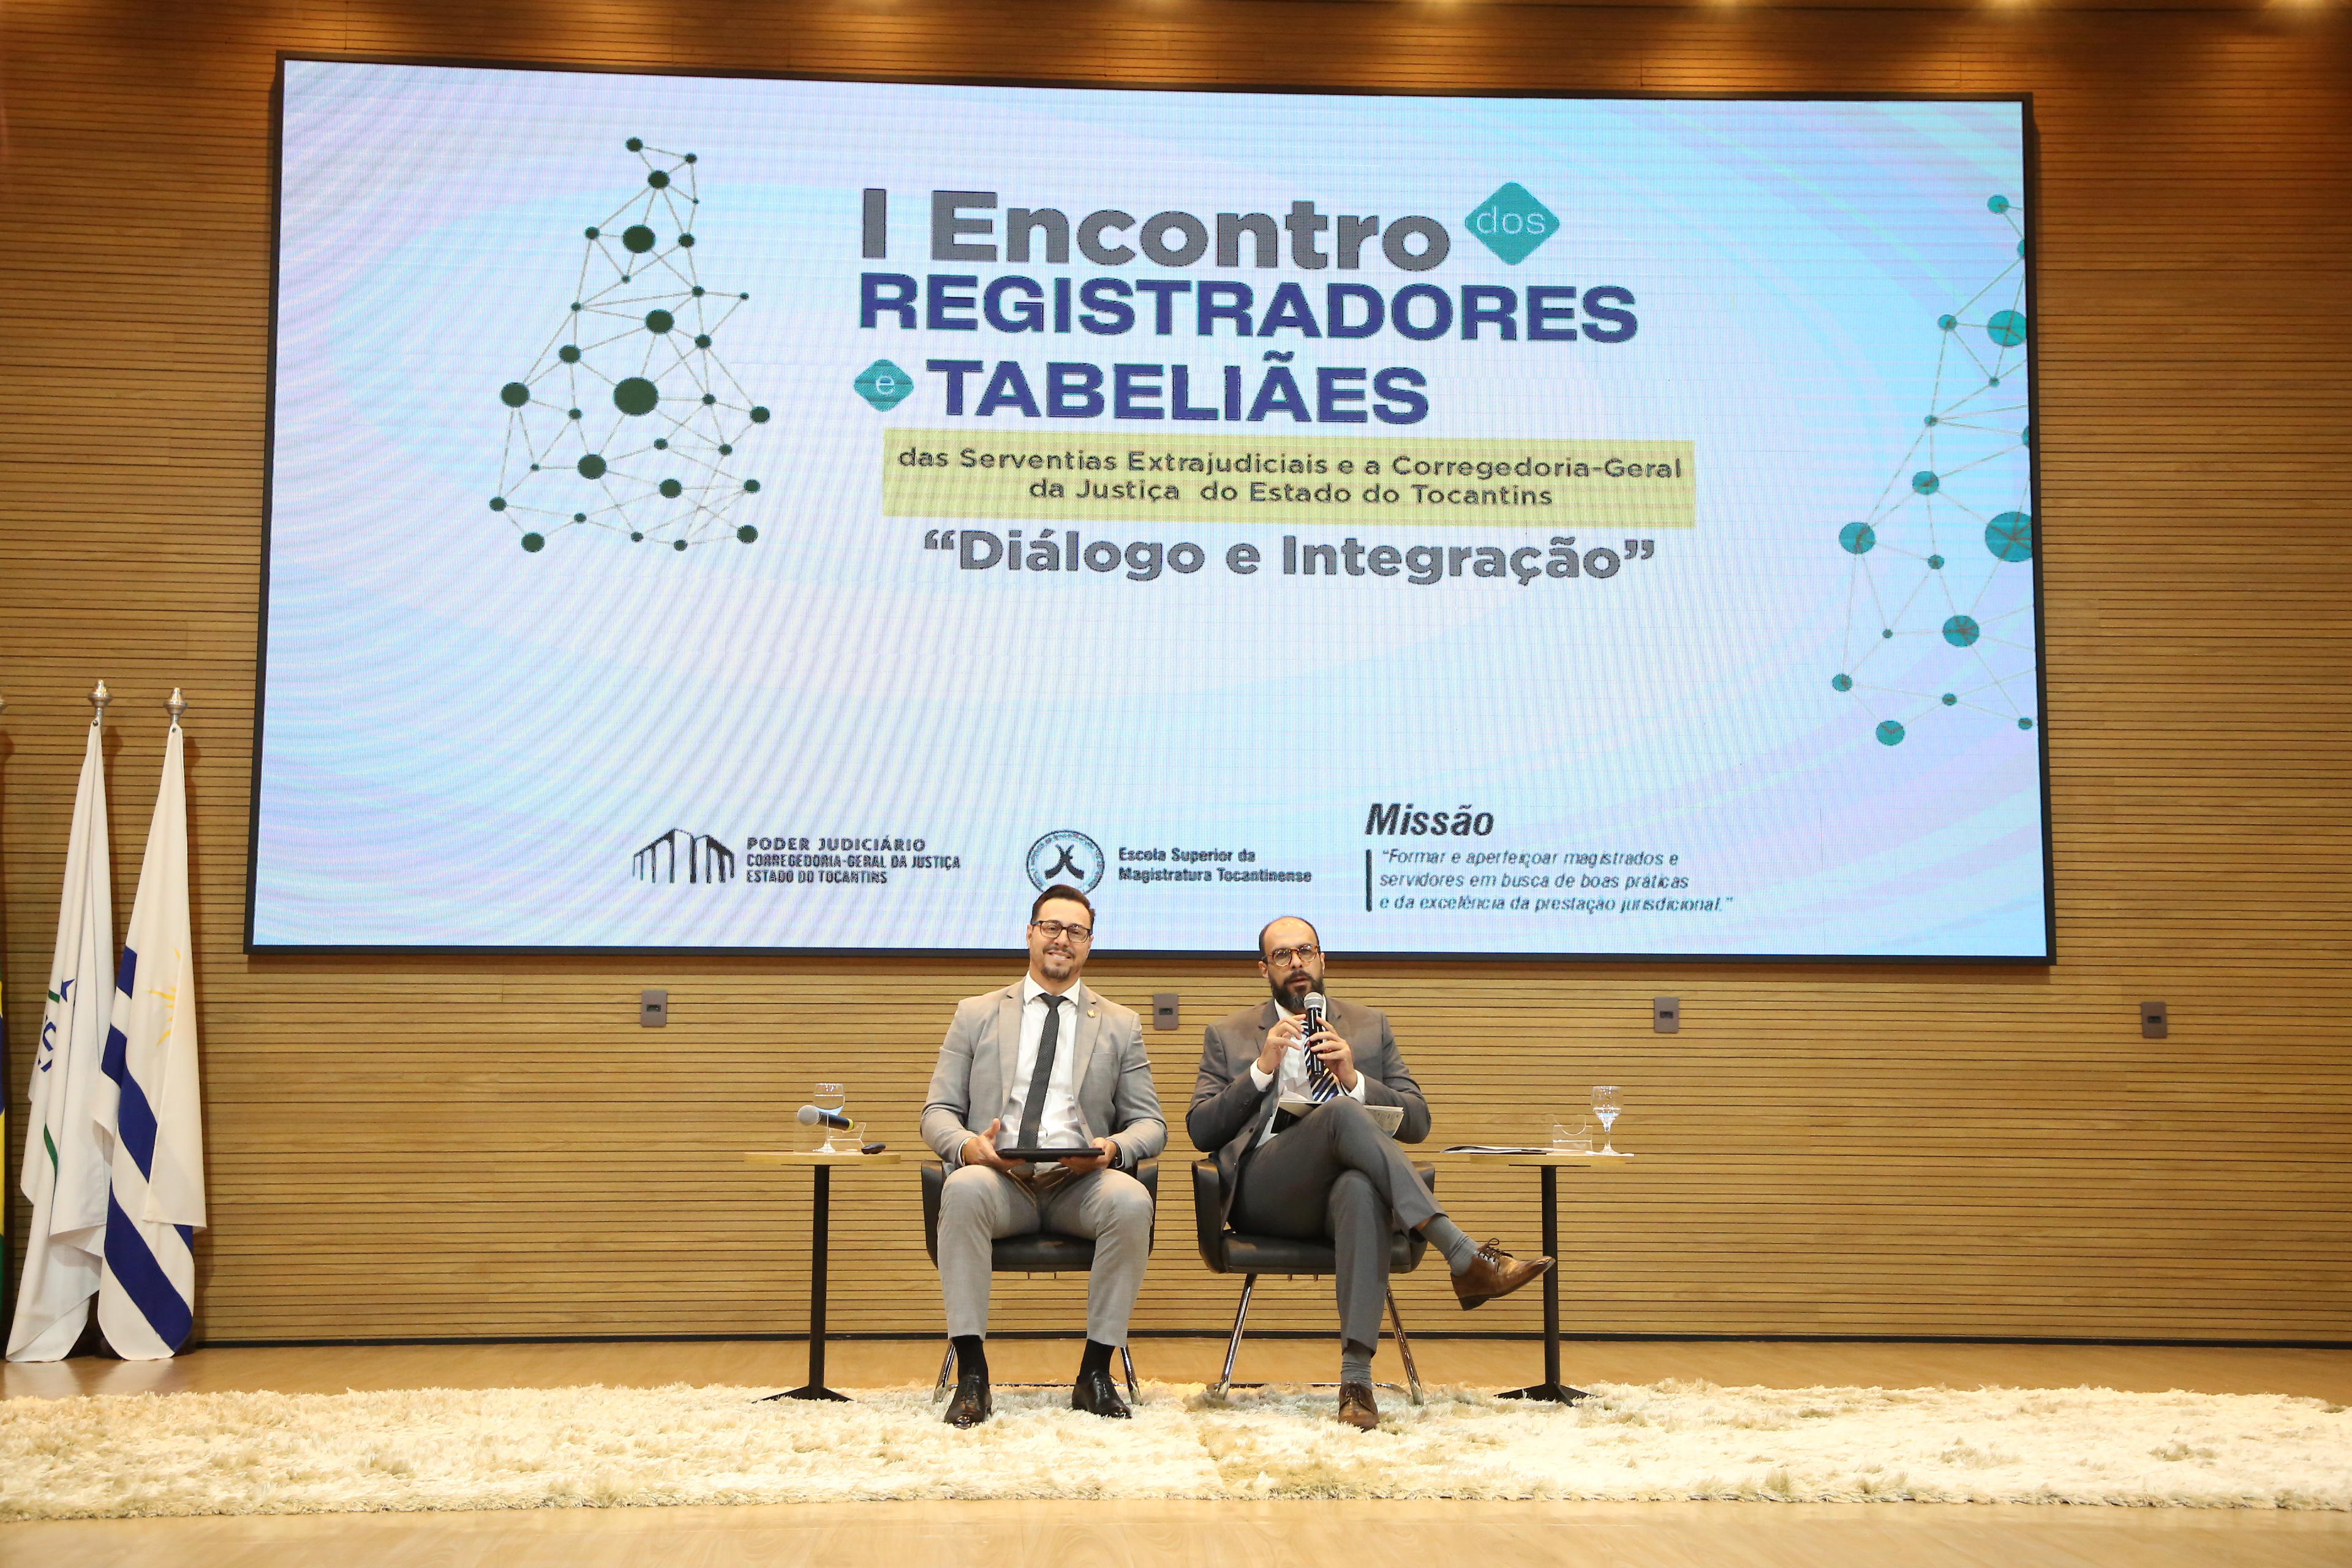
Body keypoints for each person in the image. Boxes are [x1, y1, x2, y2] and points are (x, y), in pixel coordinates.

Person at [1189, 915, 1552, 1430]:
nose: (1297, 963)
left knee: (1359, 1187)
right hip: (1266, 1194)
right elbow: (1202, 1129)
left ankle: (1356, 1382)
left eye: (1306, 951)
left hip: (1337, 1200)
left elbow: (1418, 1121)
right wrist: (1261, 1069)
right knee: (1339, 1113)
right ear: (1264, 969)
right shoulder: (1228, 1034)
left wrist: (1353, 1077)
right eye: (1282, 955)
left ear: (1323, 959)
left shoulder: (1369, 1026)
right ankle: (1462, 1253)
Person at [921, 884, 1165, 1427]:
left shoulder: (1119, 1023)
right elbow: (936, 1112)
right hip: (1000, 1181)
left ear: (1090, 943)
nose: (1062, 939)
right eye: (1051, 927)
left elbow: (1151, 1124)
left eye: (1076, 931)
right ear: (1030, 934)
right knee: (961, 1187)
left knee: (1131, 1200)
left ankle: (1094, 1374)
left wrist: (1111, 1150)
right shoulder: (976, 1014)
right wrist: (969, 1147)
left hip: (1080, 1184)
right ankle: (973, 1376)